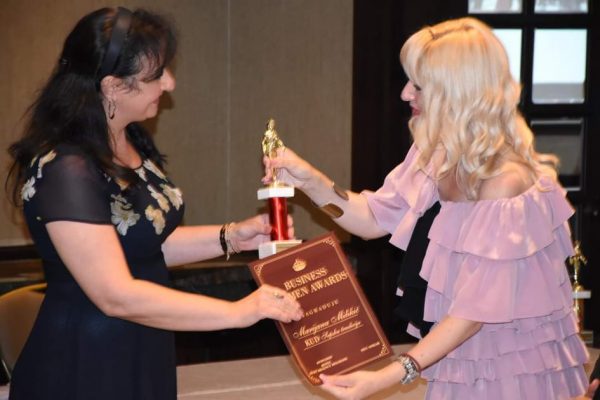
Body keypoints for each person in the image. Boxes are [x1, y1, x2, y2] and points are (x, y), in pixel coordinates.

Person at [263, 17, 591, 399]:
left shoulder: (505, 181)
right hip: (457, 359)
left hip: (509, 371)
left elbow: (473, 313)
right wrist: (310, 182)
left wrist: (387, 376)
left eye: (418, 85)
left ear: (457, 93)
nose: (405, 93)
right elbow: (372, 219)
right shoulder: (435, 153)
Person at [5, 7, 302, 400]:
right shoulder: (65, 169)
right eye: (156, 75)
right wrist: (240, 311)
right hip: (86, 361)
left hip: (140, 344)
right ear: (112, 86)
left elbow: (141, 243)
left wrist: (232, 236)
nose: (169, 83)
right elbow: (115, 294)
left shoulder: (127, 140)